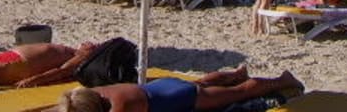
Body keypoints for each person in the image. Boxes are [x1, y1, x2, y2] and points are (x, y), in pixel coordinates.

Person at [57, 65, 303, 112]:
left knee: (239, 93)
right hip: (162, 86)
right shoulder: (100, 92)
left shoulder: (120, 107)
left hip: (183, 97)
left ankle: (283, 80)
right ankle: (236, 74)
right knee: (203, 81)